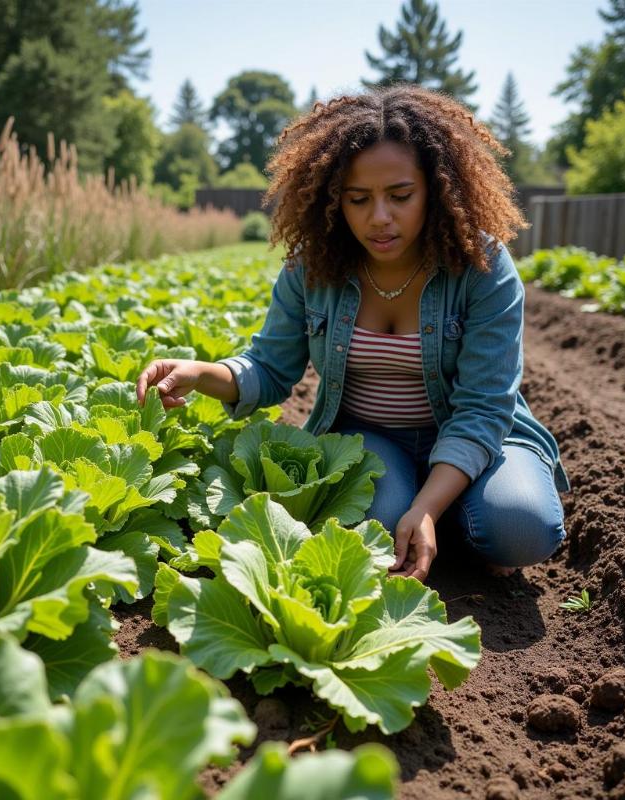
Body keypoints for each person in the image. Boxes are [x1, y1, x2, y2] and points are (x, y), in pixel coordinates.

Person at [136, 84, 569, 584]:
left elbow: (482, 408)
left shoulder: (482, 267)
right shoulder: (314, 267)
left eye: (400, 196)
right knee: (374, 525)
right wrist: (197, 372)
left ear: (437, 187)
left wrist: (428, 507)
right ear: (333, 200)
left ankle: (445, 507)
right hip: (373, 437)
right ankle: (419, 511)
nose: (379, 217)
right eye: (358, 199)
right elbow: (271, 367)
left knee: (519, 528)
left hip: (482, 437)